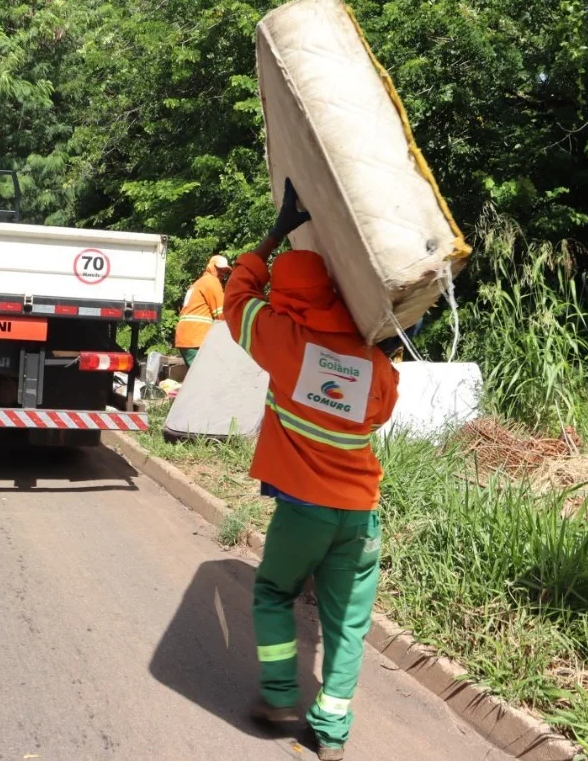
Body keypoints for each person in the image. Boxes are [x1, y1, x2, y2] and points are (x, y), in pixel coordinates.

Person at [224, 180, 400, 761]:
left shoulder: (279, 337)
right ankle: (331, 732)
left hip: (302, 511)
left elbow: (237, 296)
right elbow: (384, 402)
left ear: (288, 297)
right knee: (348, 623)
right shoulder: (370, 363)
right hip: (360, 516)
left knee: (273, 592)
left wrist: (277, 231)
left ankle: (279, 696)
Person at [173, 254, 231, 367]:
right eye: (219, 269)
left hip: (188, 338)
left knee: (198, 377)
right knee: (205, 378)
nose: (222, 273)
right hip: (196, 338)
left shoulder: (199, 283)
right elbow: (221, 315)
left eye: (225, 271)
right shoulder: (212, 282)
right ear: (211, 266)